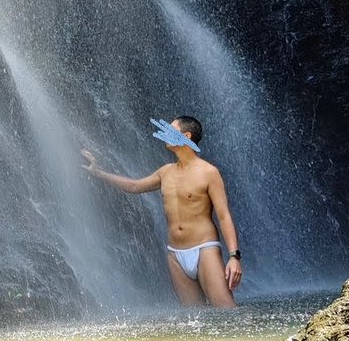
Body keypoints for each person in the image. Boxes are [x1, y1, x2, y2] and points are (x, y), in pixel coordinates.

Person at [81, 116, 241, 307]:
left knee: (226, 309)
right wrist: (99, 173)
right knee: (195, 317)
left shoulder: (208, 172)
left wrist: (234, 257)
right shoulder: (165, 172)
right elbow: (134, 186)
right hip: (175, 255)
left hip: (205, 248)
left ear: (186, 136)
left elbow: (223, 216)